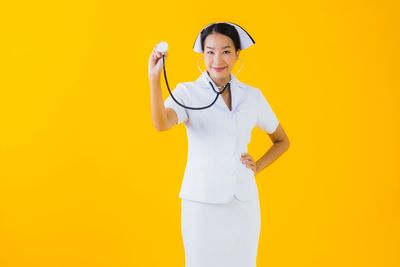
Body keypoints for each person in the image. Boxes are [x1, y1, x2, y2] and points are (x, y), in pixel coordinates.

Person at [148, 22, 290, 267]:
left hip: (243, 204)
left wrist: (257, 165)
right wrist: (154, 79)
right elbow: (162, 123)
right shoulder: (187, 93)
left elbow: (282, 140)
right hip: (201, 203)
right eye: (210, 52)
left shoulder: (252, 96)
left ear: (237, 54)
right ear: (203, 55)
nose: (217, 59)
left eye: (225, 51)